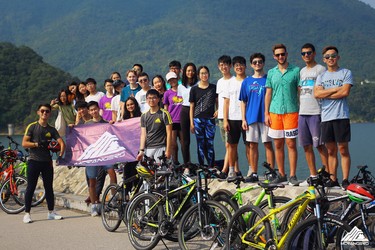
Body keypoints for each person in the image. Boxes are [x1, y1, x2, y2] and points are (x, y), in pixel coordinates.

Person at [314, 46, 353, 190]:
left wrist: (326, 93)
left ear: (338, 57)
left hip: (341, 116)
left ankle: (345, 179)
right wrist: (336, 89)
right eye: (327, 57)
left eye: (333, 55)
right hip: (326, 117)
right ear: (324, 60)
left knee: (343, 149)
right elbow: (317, 94)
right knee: (330, 150)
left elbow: (345, 92)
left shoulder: (346, 73)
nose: (331, 58)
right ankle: (333, 178)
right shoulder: (321, 76)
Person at [22, 103, 66, 223]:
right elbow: (24, 143)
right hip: (33, 161)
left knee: (49, 188)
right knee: (31, 187)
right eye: (42, 111)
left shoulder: (51, 129)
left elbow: (62, 143)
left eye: (47, 111)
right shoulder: (32, 127)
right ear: (38, 112)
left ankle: (51, 212)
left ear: (50, 113)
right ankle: (27, 214)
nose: (44, 113)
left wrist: (60, 156)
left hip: (47, 162)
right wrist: (37, 144)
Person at [265, 44, 300, 185]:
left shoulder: (296, 71)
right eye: (278, 55)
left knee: (291, 144)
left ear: (287, 54)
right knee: (278, 144)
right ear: (274, 56)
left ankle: (292, 175)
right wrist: (266, 113)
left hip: (291, 111)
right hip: (274, 112)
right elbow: (268, 93)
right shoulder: (271, 72)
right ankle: (282, 174)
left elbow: (300, 91)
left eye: (282, 54)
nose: (280, 57)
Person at [239, 53, 275, 183]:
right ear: (251, 65)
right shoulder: (246, 81)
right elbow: (243, 101)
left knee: (267, 144)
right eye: (255, 62)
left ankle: (271, 172)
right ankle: (253, 172)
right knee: (252, 145)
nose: (257, 64)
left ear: (263, 63)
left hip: (266, 117)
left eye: (260, 61)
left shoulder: (268, 79)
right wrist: (243, 119)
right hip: (251, 117)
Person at [298, 43, 328, 186]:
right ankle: (313, 175)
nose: (306, 56)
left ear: (314, 54)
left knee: (320, 145)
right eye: (303, 53)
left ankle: (327, 175)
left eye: (309, 53)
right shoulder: (302, 71)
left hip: (316, 112)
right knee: (306, 145)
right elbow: (300, 89)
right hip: (302, 112)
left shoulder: (321, 69)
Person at [84, 101, 117, 216]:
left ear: (99, 109)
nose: (94, 111)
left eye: (95, 109)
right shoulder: (86, 125)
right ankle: (94, 205)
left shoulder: (106, 123)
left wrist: (113, 124)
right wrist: (73, 127)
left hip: (105, 155)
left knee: (112, 173)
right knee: (92, 180)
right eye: (91, 110)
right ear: (89, 112)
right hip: (92, 156)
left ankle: (114, 198)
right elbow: (81, 138)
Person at [223, 56, 247, 179]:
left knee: (249, 145)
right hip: (232, 118)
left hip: (247, 118)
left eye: (241, 64)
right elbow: (226, 102)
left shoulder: (248, 80)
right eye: (236, 65)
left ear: (245, 66)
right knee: (232, 145)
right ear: (233, 67)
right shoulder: (230, 82)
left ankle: (251, 171)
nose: (239, 67)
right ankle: (231, 170)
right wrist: (225, 120)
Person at [189, 66, 217, 168]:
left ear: (208, 74)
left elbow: (218, 102)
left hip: (210, 120)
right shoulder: (194, 89)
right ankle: (201, 167)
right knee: (200, 144)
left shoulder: (213, 87)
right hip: (198, 120)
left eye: (205, 73)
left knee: (210, 144)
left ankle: (211, 166)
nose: (204, 75)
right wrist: (191, 122)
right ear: (198, 75)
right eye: (201, 73)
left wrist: (217, 110)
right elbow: (192, 106)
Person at [136, 89, 172, 163]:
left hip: (161, 147)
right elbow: (143, 134)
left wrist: (168, 150)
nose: (151, 100)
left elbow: (169, 133)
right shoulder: (144, 116)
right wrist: (141, 150)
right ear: (146, 100)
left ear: (159, 99)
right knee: (148, 173)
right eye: (149, 98)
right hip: (148, 148)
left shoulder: (164, 114)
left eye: (154, 98)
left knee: (161, 172)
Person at [215, 56, 233, 179]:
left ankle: (225, 170)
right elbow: (218, 99)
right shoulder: (219, 81)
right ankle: (235, 169)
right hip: (221, 117)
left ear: (230, 66)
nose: (223, 67)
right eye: (221, 65)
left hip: (231, 117)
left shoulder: (233, 80)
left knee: (229, 145)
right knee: (228, 145)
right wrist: (217, 109)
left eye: (226, 64)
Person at [178, 63, 198, 168]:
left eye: (192, 70)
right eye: (188, 70)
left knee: (201, 139)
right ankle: (187, 164)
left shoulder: (198, 84)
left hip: (197, 110)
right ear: (185, 72)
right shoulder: (181, 86)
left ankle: (205, 164)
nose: (190, 72)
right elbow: (180, 100)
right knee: (185, 140)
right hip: (185, 110)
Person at [164, 71, 183, 165]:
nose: (172, 81)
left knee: (184, 144)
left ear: (177, 79)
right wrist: (166, 120)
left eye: (174, 79)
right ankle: (175, 162)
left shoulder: (183, 90)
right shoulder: (167, 93)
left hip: (183, 120)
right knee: (173, 144)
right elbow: (166, 108)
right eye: (170, 80)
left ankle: (187, 163)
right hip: (172, 121)